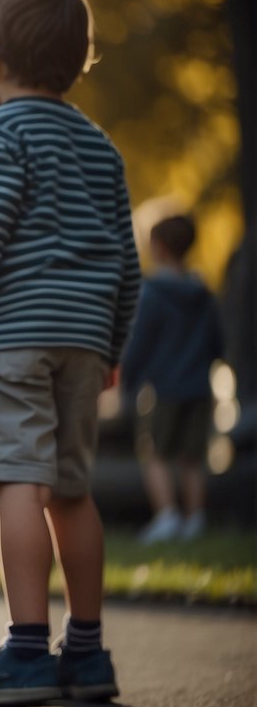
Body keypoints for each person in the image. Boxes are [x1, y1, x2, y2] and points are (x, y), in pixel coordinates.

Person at [0, 0, 141, 707]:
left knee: (16, 479)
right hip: (83, 343)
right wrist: (111, 347)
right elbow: (126, 257)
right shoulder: (99, 148)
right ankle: (86, 650)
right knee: (72, 491)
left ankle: (24, 650)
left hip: (13, 339)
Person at [122, 214, 224, 543]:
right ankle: (195, 517)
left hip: (162, 388)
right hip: (199, 386)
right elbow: (217, 341)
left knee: (155, 453)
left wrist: (128, 378)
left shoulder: (151, 294)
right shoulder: (203, 293)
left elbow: (139, 341)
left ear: (159, 248)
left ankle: (166, 514)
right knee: (192, 456)